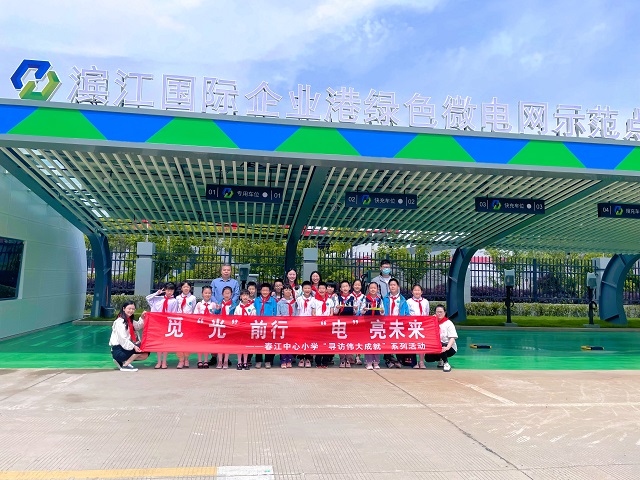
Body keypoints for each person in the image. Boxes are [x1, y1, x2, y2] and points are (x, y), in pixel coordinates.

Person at [146, 282, 178, 369]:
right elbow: (148, 298)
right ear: (165, 290)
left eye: (171, 290)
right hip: (157, 323)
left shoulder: (174, 301)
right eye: (168, 290)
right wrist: (157, 293)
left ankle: (164, 361)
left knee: (165, 343)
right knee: (159, 342)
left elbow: (174, 313)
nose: (169, 292)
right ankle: (159, 361)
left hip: (167, 324)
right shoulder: (158, 299)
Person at [109, 301, 149, 371]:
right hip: (119, 350)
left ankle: (122, 361)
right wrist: (134, 346)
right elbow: (123, 339)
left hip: (124, 348)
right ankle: (125, 365)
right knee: (141, 346)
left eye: (133, 309)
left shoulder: (129, 321)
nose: (131, 311)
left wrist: (142, 317)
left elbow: (138, 326)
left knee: (145, 355)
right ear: (124, 309)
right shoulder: (120, 322)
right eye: (129, 309)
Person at [382, 278, 409, 368]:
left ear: (398, 287)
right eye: (391, 285)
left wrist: (406, 321)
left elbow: (407, 313)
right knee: (387, 341)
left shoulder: (403, 300)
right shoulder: (385, 299)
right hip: (388, 323)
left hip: (398, 324)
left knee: (398, 341)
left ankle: (399, 360)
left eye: (394, 285)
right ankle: (388, 359)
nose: (392, 287)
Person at [423, 305, 458, 372]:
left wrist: (447, 347)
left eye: (441, 312)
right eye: (437, 312)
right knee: (428, 358)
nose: (439, 314)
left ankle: (446, 363)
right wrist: (431, 320)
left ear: (444, 313)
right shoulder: (432, 322)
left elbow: (452, 337)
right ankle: (441, 359)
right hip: (436, 346)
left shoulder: (448, 323)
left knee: (441, 345)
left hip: (449, 347)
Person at [359, 282, 385, 370]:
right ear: (368, 289)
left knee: (376, 342)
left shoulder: (379, 299)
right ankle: (368, 362)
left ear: (377, 289)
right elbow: (361, 311)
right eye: (371, 288)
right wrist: (364, 309)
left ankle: (376, 362)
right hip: (367, 323)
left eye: (374, 288)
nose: (373, 290)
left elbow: (383, 312)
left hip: (377, 323)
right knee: (368, 342)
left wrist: (382, 311)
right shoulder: (365, 299)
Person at [312, 282, 336, 368]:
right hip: (318, 325)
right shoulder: (314, 300)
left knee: (326, 343)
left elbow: (331, 313)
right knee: (319, 343)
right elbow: (313, 313)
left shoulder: (330, 301)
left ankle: (325, 362)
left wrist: (327, 321)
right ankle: (318, 362)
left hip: (327, 325)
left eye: (323, 288)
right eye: (320, 288)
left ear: (326, 290)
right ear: (317, 290)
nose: (321, 290)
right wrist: (318, 321)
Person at [406, 284, 430, 369]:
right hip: (412, 325)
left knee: (421, 343)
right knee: (413, 343)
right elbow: (407, 313)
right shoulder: (409, 301)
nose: (417, 292)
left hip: (422, 325)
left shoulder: (425, 302)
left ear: (421, 292)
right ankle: (414, 362)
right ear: (412, 292)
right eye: (415, 290)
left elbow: (427, 313)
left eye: (418, 290)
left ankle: (421, 361)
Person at [254, 283, 278, 368]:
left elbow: (275, 312)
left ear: (270, 291)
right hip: (258, 324)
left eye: (266, 290)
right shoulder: (256, 300)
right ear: (260, 291)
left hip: (269, 325)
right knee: (258, 343)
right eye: (263, 290)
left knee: (269, 342)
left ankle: (268, 361)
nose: (265, 292)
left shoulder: (273, 301)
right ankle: (258, 361)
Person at [194, 286, 217, 369]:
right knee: (200, 344)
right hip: (200, 327)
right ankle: (200, 360)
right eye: (206, 293)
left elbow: (216, 316)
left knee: (207, 344)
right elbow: (195, 315)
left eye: (209, 293)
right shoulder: (199, 304)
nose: (207, 295)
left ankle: (206, 360)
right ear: (202, 294)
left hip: (210, 328)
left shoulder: (213, 305)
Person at [176, 281, 197, 369]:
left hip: (189, 322)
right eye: (184, 287)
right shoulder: (177, 298)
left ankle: (186, 359)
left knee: (188, 341)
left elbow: (194, 309)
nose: (186, 288)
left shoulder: (193, 298)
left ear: (190, 288)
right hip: (179, 322)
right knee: (179, 341)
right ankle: (181, 360)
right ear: (181, 288)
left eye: (187, 287)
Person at [335, 280, 355, 368]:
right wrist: (337, 308)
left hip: (350, 321)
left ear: (349, 288)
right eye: (343, 286)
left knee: (349, 340)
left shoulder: (353, 298)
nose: (345, 288)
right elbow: (335, 311)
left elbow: (356, 312)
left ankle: (349, 358)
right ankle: (342, 358)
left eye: (346, 286)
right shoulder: (338, 298)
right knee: (341, 340)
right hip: (341, 321)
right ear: (340, 288)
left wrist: (355, 308)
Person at [234, 289, 255, 370]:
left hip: (247, 329)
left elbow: (253, 318)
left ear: (249, 296)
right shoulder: (237, 308)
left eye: (246, 295)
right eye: (243, 295)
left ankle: (245, 362)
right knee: (239, 346)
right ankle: (239, 362)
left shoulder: (252, 307)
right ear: (240, 297)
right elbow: (235, 318)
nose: (245, 297)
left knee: (246, 346)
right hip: (239, 329)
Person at [277, 284, 298, 368]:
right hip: (283, 325)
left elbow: (296, 313)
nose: (288, 291)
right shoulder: (280, 303)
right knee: (283, 343)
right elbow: (278, 314)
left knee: (290, 342)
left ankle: (289, 359)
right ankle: (283, 360)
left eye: (289, 290)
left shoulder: (294, 303)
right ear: (283, 291)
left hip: (292, 325)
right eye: (286, 290)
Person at [296, 281, 314, 367]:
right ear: (302, 289)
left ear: (311, 289)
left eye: (308, 288)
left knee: (309, 340)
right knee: (301, 340)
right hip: (301, 323)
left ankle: (308, 358)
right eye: (305, 288)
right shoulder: (299, 299)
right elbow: (297, 311)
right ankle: (301, 358)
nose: (307, 290)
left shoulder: (314, 300)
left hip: (310, 323)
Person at [351, 278, 365, 365]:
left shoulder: (363, 297)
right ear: (352, 286)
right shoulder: (349, 296)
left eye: (359, 285)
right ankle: (351, 356)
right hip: (350, 320)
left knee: (359, 338)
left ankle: (358, 356)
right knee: (351, 337)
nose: (357, 286)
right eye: (355, 285)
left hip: (360, 320)